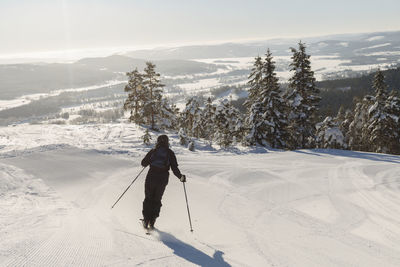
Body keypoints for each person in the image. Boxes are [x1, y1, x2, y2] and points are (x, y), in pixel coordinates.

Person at [141, 134, 186, 229]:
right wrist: (181, 177)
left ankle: (146, 219)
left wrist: (149, 161)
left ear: (157, 142)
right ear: (167, 142)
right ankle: (152, 221)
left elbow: (143, 163)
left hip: (151, 177)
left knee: (148, 198)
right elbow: (174, 168)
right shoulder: (170, 153)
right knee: (157, 199)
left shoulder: (153, 151)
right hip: (162, 179)